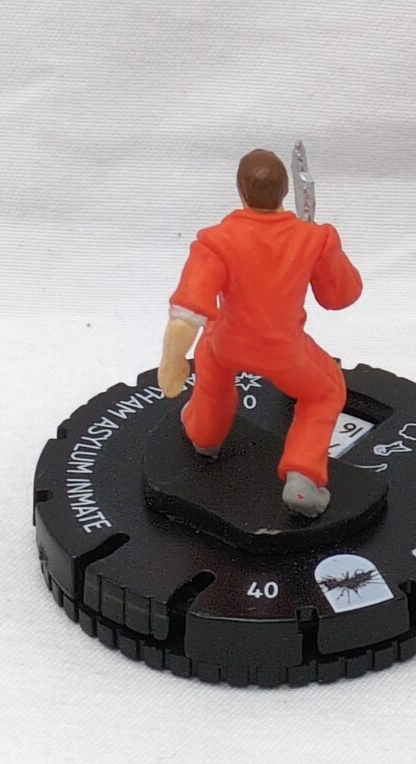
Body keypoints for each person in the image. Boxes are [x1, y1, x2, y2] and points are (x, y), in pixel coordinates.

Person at [158, 148, 363, 517]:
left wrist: (172, 360)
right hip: (285, 352)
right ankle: (303, 476)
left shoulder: (216, 241)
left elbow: (189, 310)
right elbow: (340, 296)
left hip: (227, 342)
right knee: (326, 390)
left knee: (211, 368)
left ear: (240, 191)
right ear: (285, 191)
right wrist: (326, 246)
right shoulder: (313, 238)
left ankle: (205, 436)